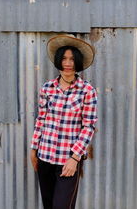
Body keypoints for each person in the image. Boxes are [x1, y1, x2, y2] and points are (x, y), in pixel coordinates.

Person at [30, 34, 98, 209]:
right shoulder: (47, 88)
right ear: (58, 60)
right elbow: (41, 119)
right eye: (65, 58)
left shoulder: (87, 91)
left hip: (67, 160)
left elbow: (88, 126)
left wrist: (75, 158)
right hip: (44, 156)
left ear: (78, 62)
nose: (68, 63)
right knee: (49, 204)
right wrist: (33, 148)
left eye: (72, 59)